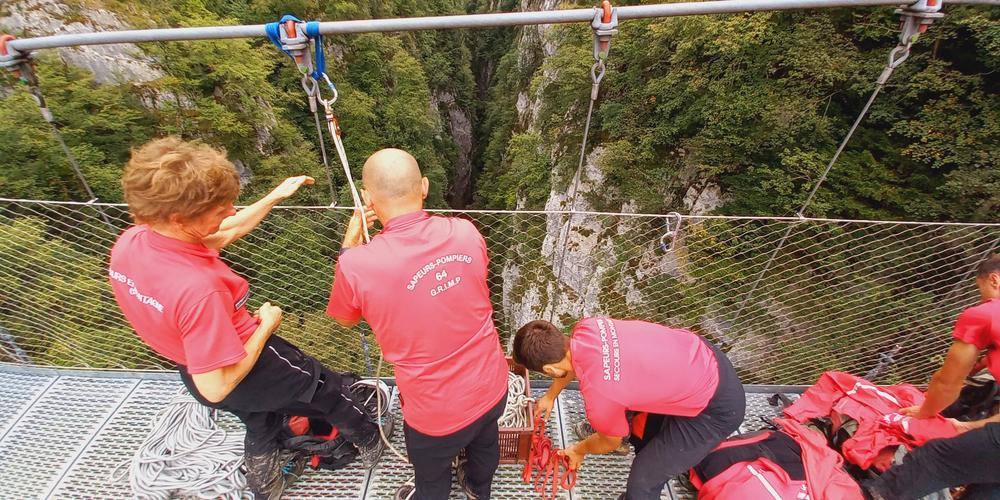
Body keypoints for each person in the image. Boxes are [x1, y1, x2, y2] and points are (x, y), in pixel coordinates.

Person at [108, 137, 386, 499]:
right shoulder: (198, 289)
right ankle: (372, 443)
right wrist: (266, 326)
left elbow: (227, 230)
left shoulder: (134, 243)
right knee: (326, 388)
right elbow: (218, 384)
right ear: (180, 218)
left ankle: (265, 483)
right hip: (243, 365)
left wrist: (273, 197)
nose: (230, 210)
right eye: (220, 207)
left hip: (192, 365)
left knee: (259, 417)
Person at [326, 148, 509, 500]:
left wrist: (349, 247)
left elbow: (344, 319)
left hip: (435, 412)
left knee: (431, 476)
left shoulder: (359, 265)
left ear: (367, 198)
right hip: (491, 385)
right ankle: (477, 489)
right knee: (485, 442)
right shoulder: (465, 232)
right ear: (423, 186)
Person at [512, 317, 746, 500]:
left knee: (642, 483)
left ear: (549, 370)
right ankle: (651, 449)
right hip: (700, 356)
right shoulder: (588, 328)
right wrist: (550, 396)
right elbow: (571, 362)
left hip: (716, 408)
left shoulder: (601, 395)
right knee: (643, 437)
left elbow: (610, 441)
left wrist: (578, 450)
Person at [865, 255, 1000, 500]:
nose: (983, 298)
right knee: (989, 483)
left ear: (994, 280)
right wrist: (968, 427)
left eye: (981, 290)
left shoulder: (987, 313)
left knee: (930, 459)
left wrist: (925, 412)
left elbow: (948, 383)